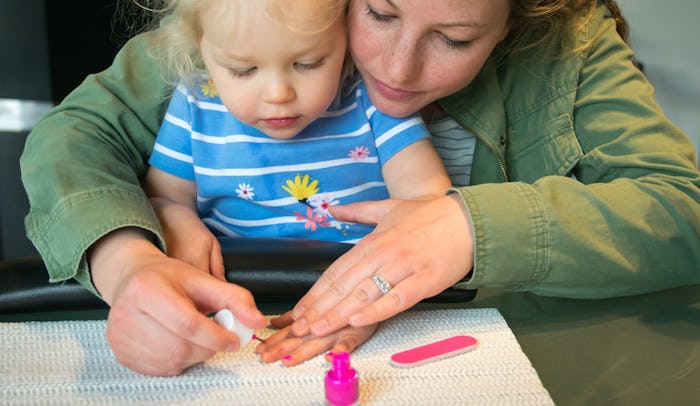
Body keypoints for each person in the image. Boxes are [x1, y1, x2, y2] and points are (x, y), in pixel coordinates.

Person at [20, 0, 700, 376]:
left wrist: (463, 227)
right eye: (376, 13)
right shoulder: (250, 20)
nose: (397, 69)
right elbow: (72, 137)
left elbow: (680, 211)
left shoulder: (567, 44)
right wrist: (127, 260)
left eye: (455, 38)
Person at [143, 0, 449, 281]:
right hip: (233, 286)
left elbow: (430, 207)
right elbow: (164, 198)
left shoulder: (372, 100)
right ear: (202, 47)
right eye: (243, 70)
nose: (278, 94)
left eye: (308, 63)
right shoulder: (195, 104)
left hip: (362, 283)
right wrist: (177, 221)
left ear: (346, 37)